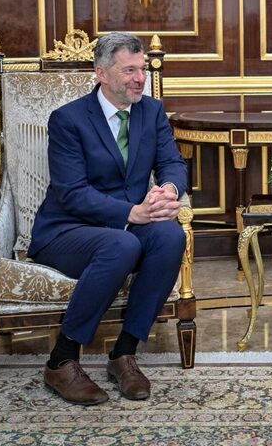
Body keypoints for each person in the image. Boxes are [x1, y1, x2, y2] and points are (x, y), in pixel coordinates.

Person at [28, 31, 187, 406]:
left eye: (142, 69)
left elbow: (172, 163)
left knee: (170, 237)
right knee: (123, 244)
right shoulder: (68, 120)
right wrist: (132, 212)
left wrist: (168, 191)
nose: (140, 78)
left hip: (127, 227)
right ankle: (61, 360)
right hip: (67, 230)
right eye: (129, 70)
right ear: (101, 73)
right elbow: (71, 192)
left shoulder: (151, 112)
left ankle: (123, 354)